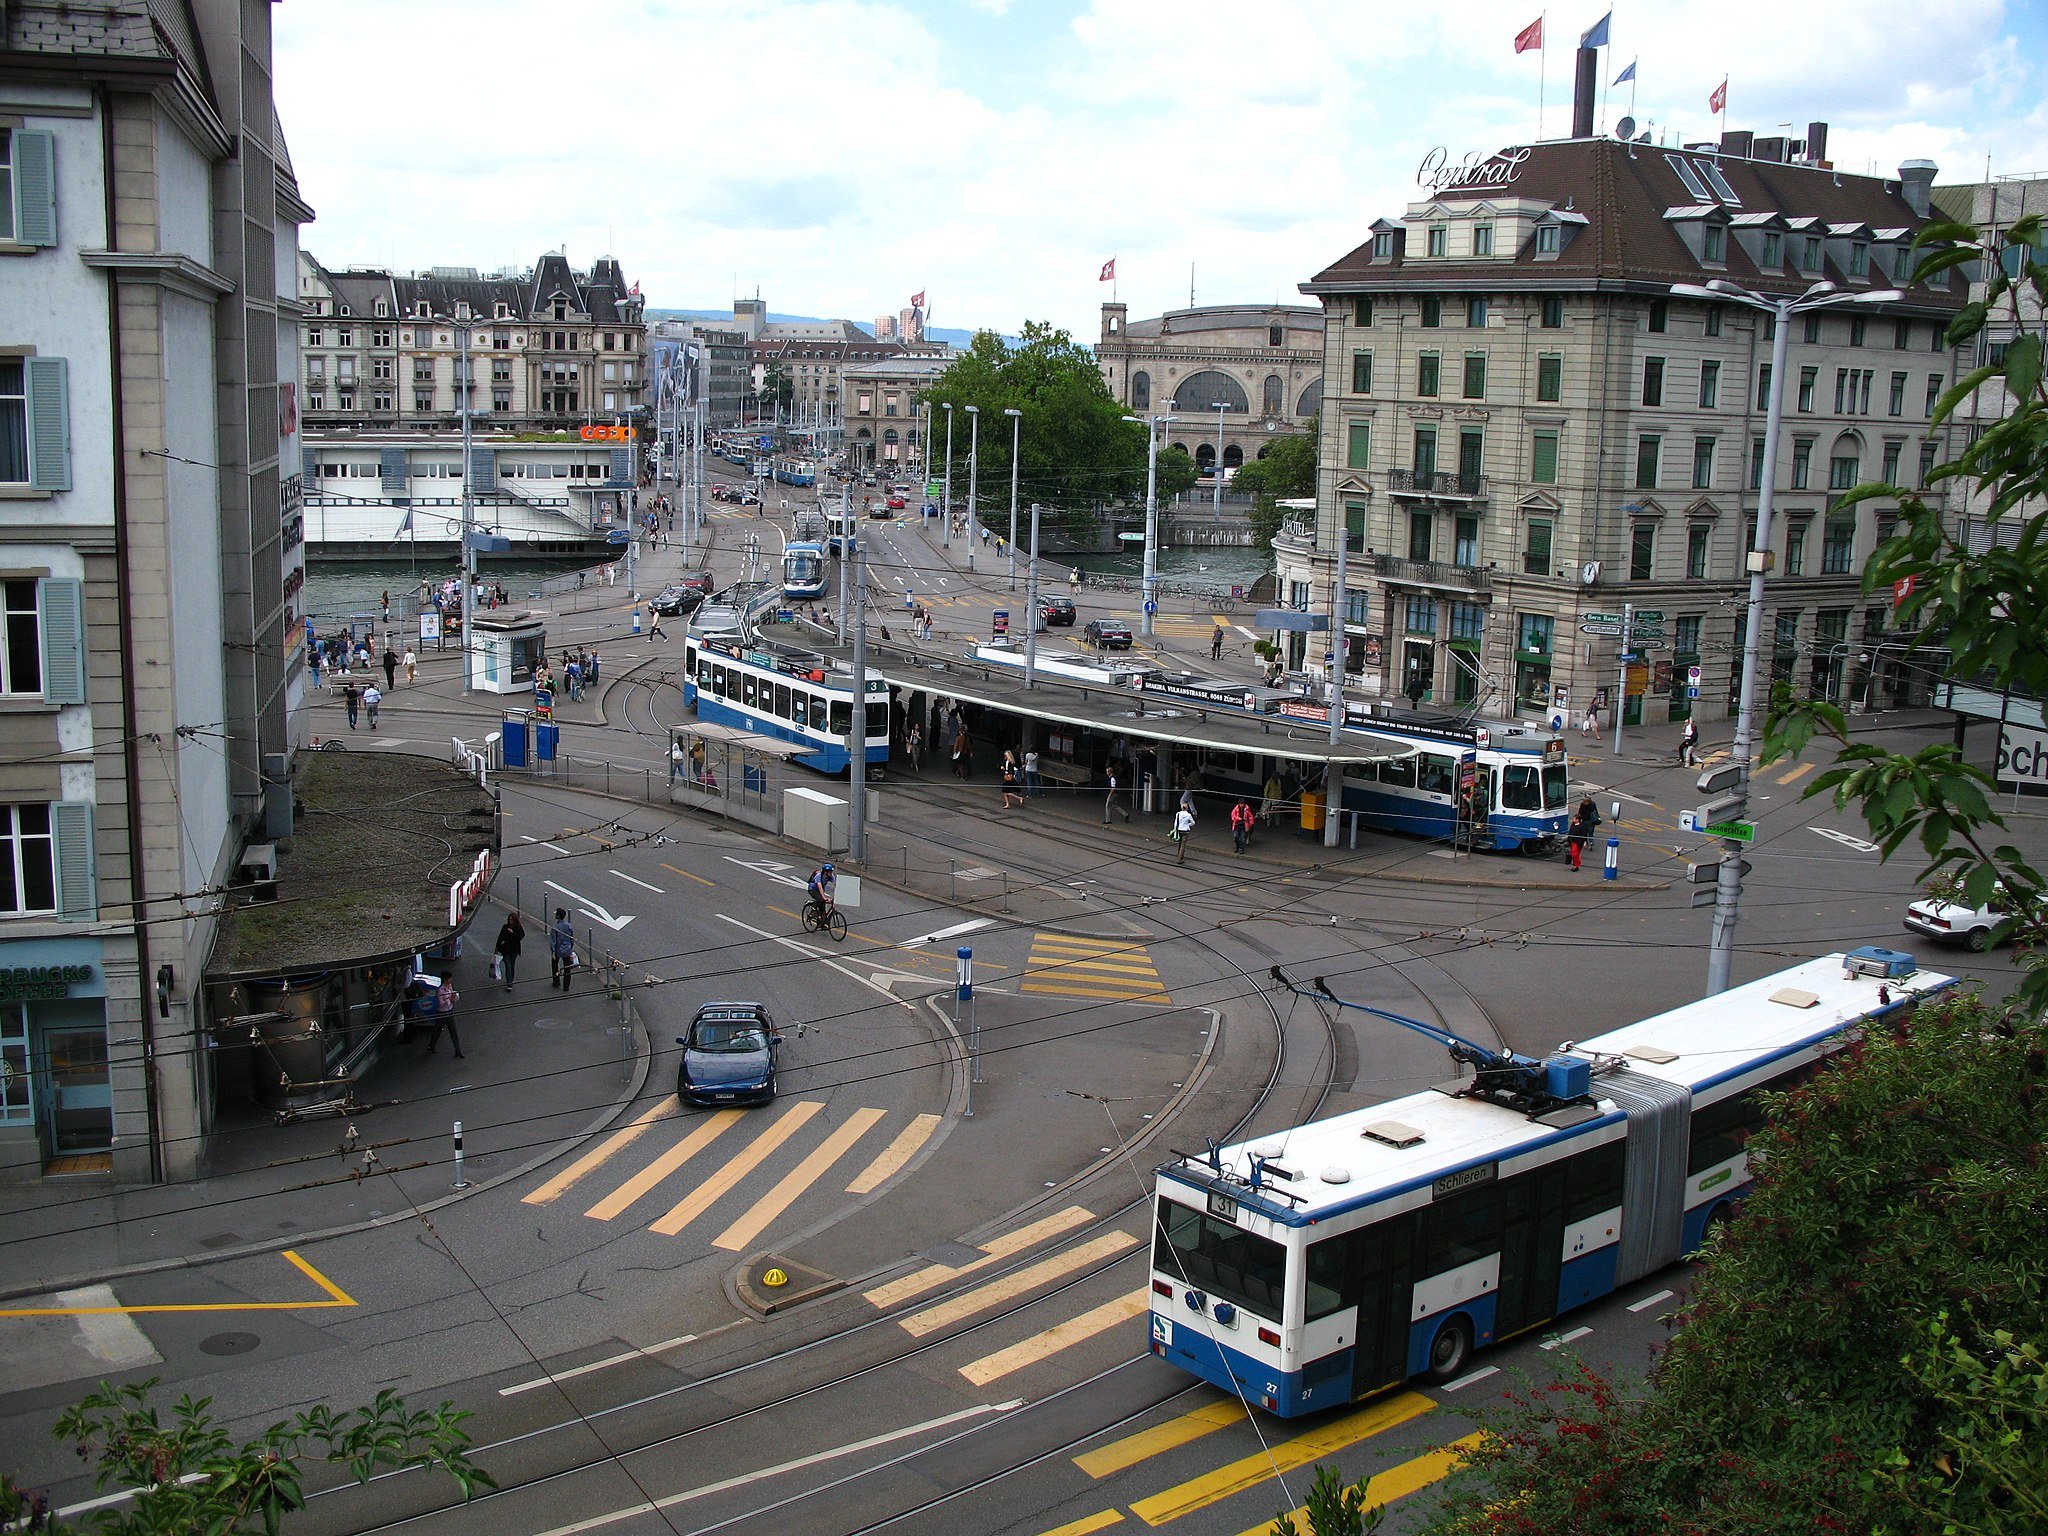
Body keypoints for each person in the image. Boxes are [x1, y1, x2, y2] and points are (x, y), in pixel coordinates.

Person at [424, 977, 464, 1058]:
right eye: (449, 979)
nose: (450, 980)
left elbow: (452, 996)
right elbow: (441, 1003)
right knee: (437, 1030)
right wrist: (449, 999)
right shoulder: (440, 990)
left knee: (453, 1031)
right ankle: (431, 1046)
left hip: (449, 1011)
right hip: (442, 1013)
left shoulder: (449, 986)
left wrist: (453, 998)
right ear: (445, 979)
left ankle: (458, 1050)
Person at [1567, 795, 1602, 872]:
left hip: (1586, 822)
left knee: (1575, 853)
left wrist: (1584, 841)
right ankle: (1591, 842)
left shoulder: (1581, 824)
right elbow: (1595, 811)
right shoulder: (1592, 803)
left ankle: (1576, 865)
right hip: (1590, 821)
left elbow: (1580, 812)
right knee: (1590, 832)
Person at [494, 912, 524, 992]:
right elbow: (500, 937)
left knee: (512, 965)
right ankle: (509, 983)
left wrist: (513, 933)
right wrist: (496, 949)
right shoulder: (505, 927)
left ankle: (510, 980)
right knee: (508, 966)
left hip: (514, 950)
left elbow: (521, 936)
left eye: (512, 920)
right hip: (506, 950)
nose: (510, 921)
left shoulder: (518, 928)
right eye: (509, 919)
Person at [549, 907, 576, 988]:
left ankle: (556, 981)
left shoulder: (555, 927)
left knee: (555, 966)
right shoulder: (569, 926)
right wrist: (571, 947)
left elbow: (553, 941)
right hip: (567, 949)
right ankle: (566, 986)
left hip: (558, 950)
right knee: (567, 968)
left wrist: (553, 952)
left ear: (558, 916)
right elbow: (571, 938)